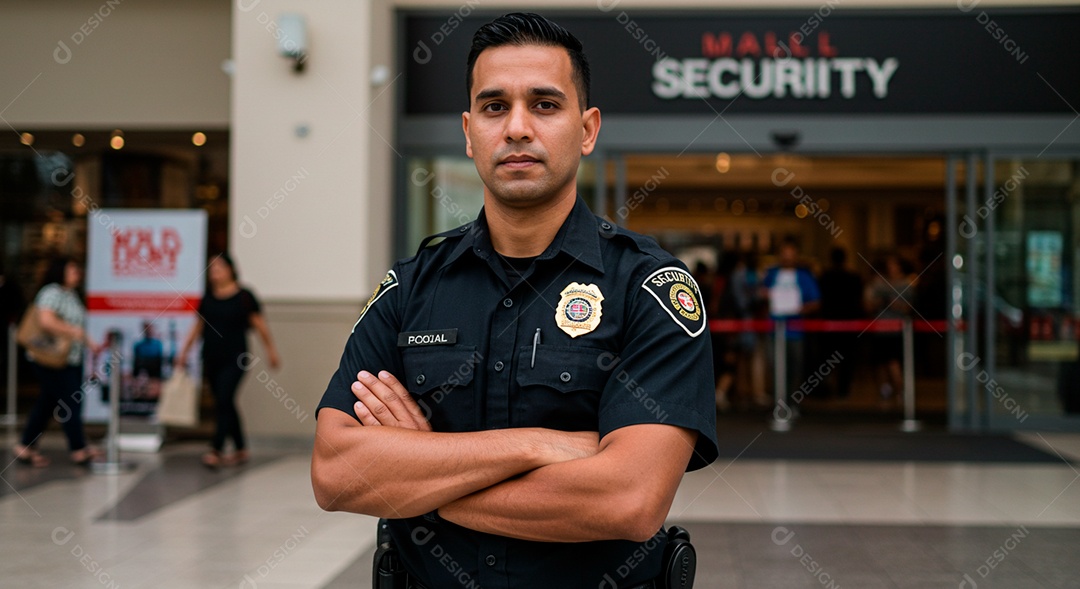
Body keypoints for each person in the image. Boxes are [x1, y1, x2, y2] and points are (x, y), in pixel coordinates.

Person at [312, 13, 719, 589]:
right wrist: (537, 446)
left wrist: (421, 473)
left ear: (587, 129)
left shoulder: (649, 289)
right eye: (494, 106)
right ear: (469, 130)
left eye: (545, 104)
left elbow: (628, 498)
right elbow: (335, 473)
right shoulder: (410, 290)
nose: (518, 127)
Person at [176, 253, 280, 468]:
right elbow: (197, 326)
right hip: (212, 357)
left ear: (231, 269)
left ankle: (217, 448)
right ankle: (241, 448)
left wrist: (271, 351)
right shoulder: (208, 297)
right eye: (211, 270)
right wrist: (184, 352)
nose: (215, 273)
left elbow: (260, 325)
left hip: (236, 359)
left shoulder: (244, 296)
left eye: (219, 268)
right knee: (225, 403)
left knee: (224, 399)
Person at [12, 257, 100, 467]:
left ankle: (25, 446)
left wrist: (88, 341)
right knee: (71, 401)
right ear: (60, 271)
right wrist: (75, 332)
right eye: (72, 269)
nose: (77, 272)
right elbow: (46, 321)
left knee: (48, 403)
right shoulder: (52, 292)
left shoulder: (70, 294)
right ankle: (78, 448)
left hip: (69, 358)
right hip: (51, 359)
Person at [760, 239, 821, 410]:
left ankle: (792, 403)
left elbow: (815, 301)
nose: (787, 259)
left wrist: (801, 308)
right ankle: (778, 402)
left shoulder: (804, 276)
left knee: (794, 368)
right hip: (774, 328)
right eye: (784, 255)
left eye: (790, 256)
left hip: (795, 329)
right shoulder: (771, 274)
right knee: (774, 367)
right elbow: (761, 294)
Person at [865, 254, 912, 405]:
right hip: (880, 329)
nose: (891, 268)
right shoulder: (879, 284)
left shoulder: (906, 285)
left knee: (893, 363)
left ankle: (900, 392)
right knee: (880, 364)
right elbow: (868, 304)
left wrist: (895, 304)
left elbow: (909, 308)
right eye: (889, 265)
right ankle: (884, 392)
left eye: (894, 265)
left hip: (896, 330)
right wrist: (878, 301)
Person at [817, 247, 863, 399]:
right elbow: (859, 301)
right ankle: (843, 389)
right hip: (848, 324)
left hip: (828, 324)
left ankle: (825, 388)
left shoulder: (824, 277)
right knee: (847, 360)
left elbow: (820, 300)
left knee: (827, 358)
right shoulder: (854, 277)